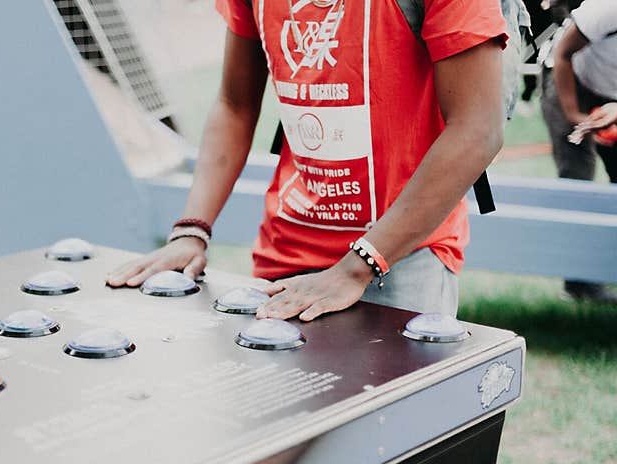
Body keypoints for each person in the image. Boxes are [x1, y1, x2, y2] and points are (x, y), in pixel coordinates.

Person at [107, 0, 508, 320]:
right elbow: (235, 104)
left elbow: (477, 130)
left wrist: (358, 266)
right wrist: (191, 230)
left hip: (401, 260)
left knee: (390, 420)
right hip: (286, 252)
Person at [540, 0, 617, 303]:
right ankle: (580, 284)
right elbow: (563, 54)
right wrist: (575, 115)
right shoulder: (608, 8)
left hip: (611, 96)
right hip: (568, 83)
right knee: (577, 180)